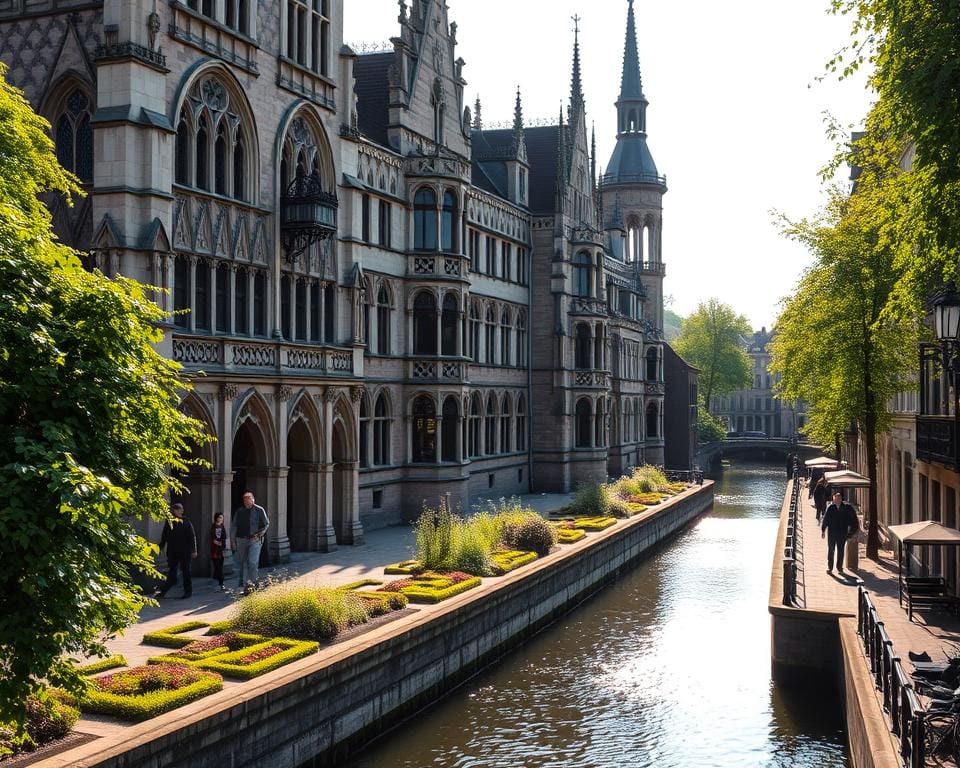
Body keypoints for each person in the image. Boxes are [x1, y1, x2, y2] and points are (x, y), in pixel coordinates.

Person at [157, 503, 198, 599]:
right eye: (177, 509)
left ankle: (188, 592)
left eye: (180, 509)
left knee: (186, 572)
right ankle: (163, 592)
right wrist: (161, 546)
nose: (179, 511)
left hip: (185, 551)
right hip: (173, 551)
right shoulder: (169, 521)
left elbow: (192, 537)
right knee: (172, 574)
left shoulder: (186, 522)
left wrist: (194, 550)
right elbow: (164, 535)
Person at [231, 491, 269, 593]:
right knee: (243, 563)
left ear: (253, 500)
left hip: (254, 539)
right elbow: (234, 526)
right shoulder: (239, 511)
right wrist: (233, 541)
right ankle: (244, 586)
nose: (246, 502)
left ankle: (254, 584)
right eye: (244, 500)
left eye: (248, 499)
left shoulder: (259, 510)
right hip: (241, 539)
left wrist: (259, 534)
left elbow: (266, 524)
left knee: (252, 561)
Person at [821, 492, 860, 576]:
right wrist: (823, 530)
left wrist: (850, 533)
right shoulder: (831, 508)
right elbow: (826, 519)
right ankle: (830, 567)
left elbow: (853, 521)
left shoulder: (846, 508)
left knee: (840, 551)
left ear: (841, 499)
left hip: (842, 533)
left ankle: (839, 567)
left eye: (839, 499)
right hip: (832, 533)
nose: (837, 500)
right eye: (835, 499)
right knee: (831, 550)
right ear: (833, 499)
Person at [209, 512, 229, 591]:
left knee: (220, 567)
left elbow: (224, 537)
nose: (221, 519)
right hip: (214, 550)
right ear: (216, 518)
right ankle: (220, 583)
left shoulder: (222, 527)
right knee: (217, 567)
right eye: (220, 517)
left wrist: (223, 545)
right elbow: (211, 537)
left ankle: (218, 582)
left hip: (221, 551)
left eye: (222, 517)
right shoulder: (213, 527)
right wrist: (215, 541)